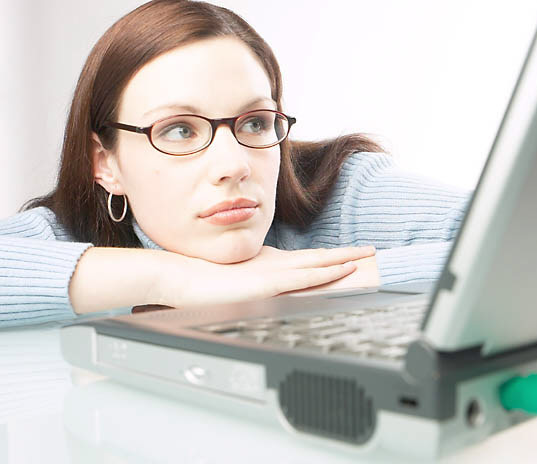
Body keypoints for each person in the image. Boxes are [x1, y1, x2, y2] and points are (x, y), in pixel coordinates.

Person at [0, 0, 469, 329]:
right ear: (106, 163)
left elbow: (532, 235)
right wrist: (173, 280)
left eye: (255, 123)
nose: (233, 164)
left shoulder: (340, 191)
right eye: (179, 130)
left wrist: (298, 286)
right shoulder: (66, 236)